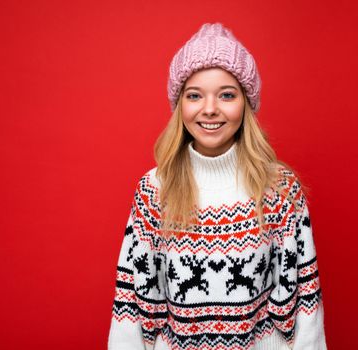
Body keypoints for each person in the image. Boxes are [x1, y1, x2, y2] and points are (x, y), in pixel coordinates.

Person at [107, 23, 327, 350]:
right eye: (195, 95)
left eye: (226, 94)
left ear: (246, 103)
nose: (210, 109)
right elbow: (132, 309)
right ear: (180, 104)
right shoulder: (155, 190)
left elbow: (303, 305)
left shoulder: (279, 190)